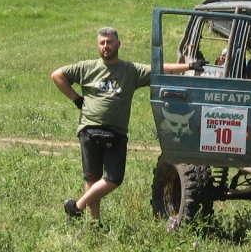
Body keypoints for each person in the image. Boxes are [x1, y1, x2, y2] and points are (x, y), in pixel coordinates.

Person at [52, 27, 201, 221]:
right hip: (90, 129)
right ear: (98, 45)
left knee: (114, 179)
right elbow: (57, 75)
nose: (106, 46)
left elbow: (159, 69)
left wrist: (190, 67)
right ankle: (94, 222)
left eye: (110, 42)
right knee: (92, 178)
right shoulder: (86, 67)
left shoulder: (130, 70)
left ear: (118, 44)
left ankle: (77, 206)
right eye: (102, 42)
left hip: (116, 132)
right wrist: (76, 99)